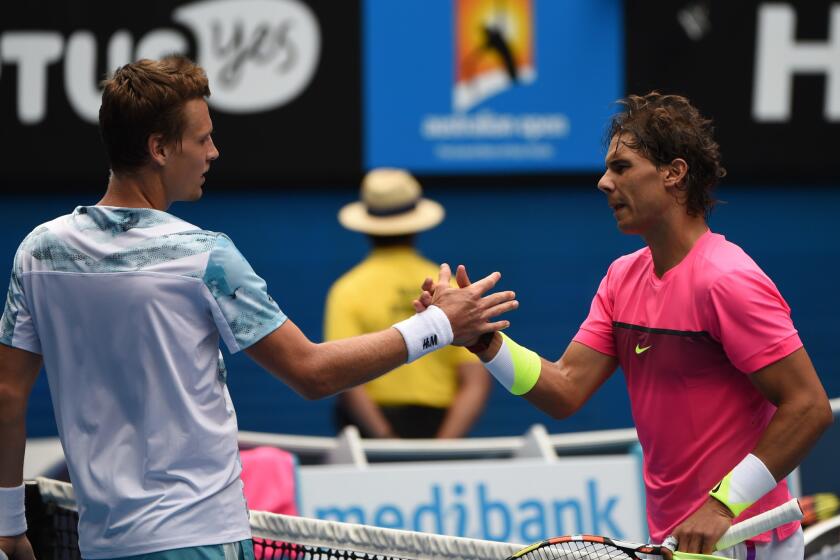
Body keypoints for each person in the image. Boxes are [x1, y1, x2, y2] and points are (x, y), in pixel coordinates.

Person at [0, 56, 517, 560]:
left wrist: (7, 524)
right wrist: (439, 325)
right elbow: (312, 373)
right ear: (159, 148)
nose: (214, 152)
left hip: (102, 544)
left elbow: (7, 393)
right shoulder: (204, 255)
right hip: (200, 537)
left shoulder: (37, 252)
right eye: (202, 139)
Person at [416, 92, 833, 559]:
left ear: (674, 173)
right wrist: (484, 341)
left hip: (743, 540)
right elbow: (565, 389)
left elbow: (808, 406)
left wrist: (722, 505)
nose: (603, 182)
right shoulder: (622, 278)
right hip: (679, 540)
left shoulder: (728, 280)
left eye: (621, 167)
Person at [325, 168, 491, 438]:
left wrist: (387, 440)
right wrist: (444, 445)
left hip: (371, 432)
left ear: (367, 225)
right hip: (440, 424)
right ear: (417, 223)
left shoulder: (347, 290)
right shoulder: (447, 286)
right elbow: (476, 380)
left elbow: (343, 377)